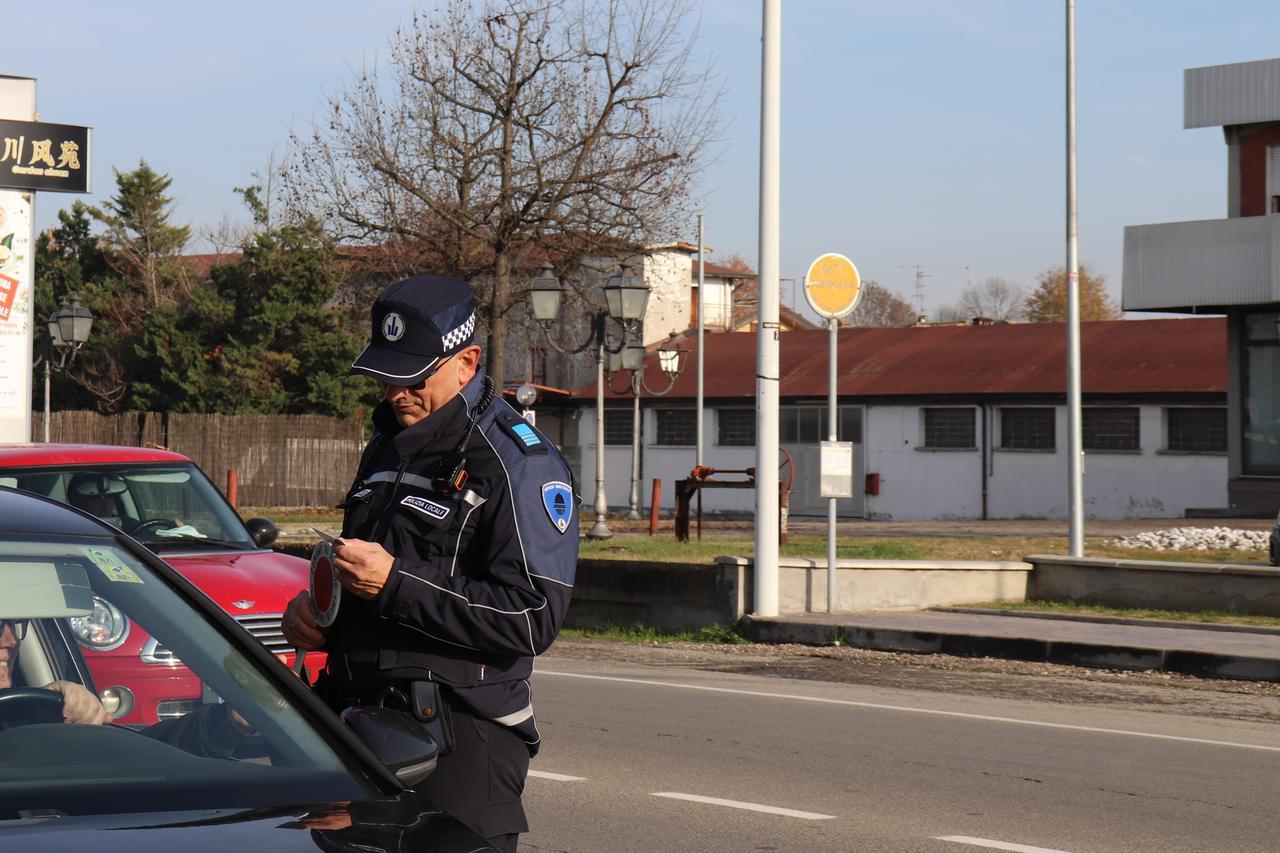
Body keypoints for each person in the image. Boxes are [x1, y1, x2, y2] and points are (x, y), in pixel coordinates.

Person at [282, 275, 579, 852]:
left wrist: (393, 583)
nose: (396, 392)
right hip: (358, 727)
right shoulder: (386, 445)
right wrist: (325, 616)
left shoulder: (518, 462)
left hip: (460, 737)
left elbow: (531, 616)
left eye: (413, 376)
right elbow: (367, 580)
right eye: (386, 375)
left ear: (467, 362)